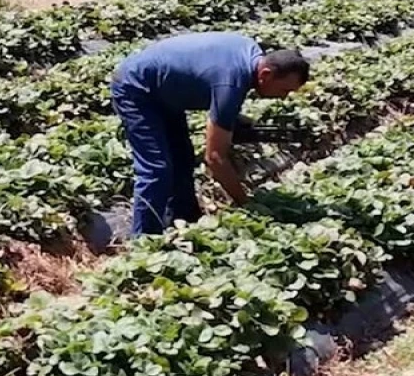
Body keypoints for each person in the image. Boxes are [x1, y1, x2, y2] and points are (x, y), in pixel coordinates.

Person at [110, 32, 310, 236]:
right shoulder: (230, 83)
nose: (284, 97)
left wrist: (234, 123)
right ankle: (143, 241)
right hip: (136, 88)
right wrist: (246, 203)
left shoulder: (250, 54)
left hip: (165, 91)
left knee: (183, 159)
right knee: (156, 169)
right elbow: (214, 159)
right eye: (285, 90)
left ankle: (184, 221)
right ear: (265, 74)